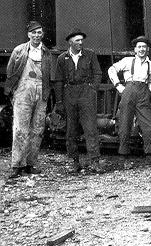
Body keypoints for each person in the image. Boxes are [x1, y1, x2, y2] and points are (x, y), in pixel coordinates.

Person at [4, 21, 55, 180]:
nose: (36, 35)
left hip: (41, 91)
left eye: (39, 32)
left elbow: (49, 76)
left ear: (42, 34)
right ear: (28, 34)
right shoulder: (19, 50)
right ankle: (17, 165)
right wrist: (13, 91)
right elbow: (10, 72)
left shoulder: (46, 53)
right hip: (23, 91)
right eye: (34, 32)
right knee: (20, 129)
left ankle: (31, 164)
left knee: (37, 129)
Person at [53, 31, 103, 173]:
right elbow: (58, 80)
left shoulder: (90, 55)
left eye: (81, 40)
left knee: (90, 128)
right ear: (70, 42)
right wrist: (59, 101)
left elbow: (98, 73)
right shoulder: (62, 58)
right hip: (69, 94)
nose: (80, 43)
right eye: (77, 40)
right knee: (71, 129)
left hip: (86, 93)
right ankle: (74, 161)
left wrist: (93, 89)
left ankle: (95, 161)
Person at [108, 36, 151, 169]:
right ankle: (124, 157)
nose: (142, 49)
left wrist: (149, 92)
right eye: (139, 47)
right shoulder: (127, 61)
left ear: (147, 49)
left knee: (150, 126)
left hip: (143, 94)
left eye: (144, 47)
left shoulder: (150, 65)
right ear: (135, 49)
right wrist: (119, 86)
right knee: (125, 125)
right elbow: (111, 69)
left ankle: (149, 156)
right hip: (128, 92)